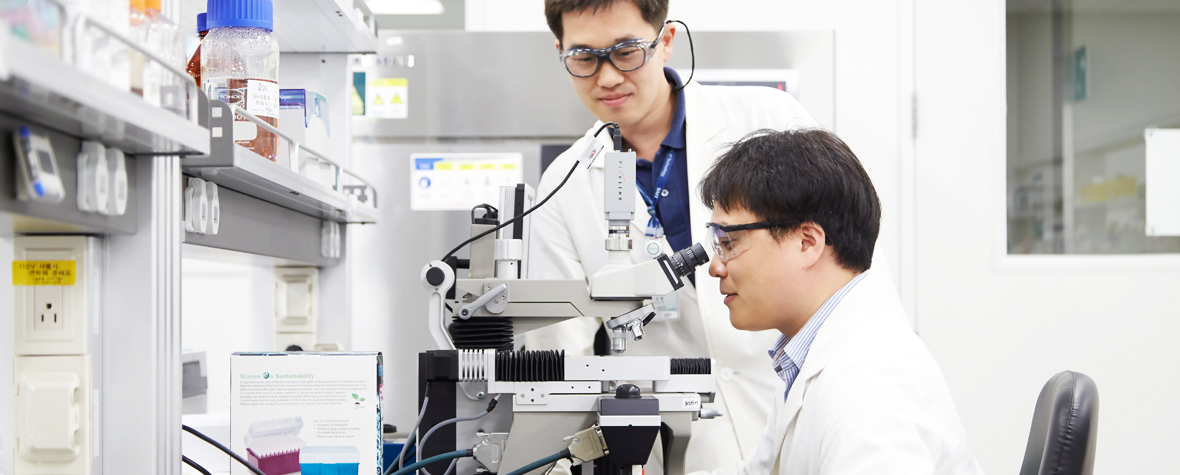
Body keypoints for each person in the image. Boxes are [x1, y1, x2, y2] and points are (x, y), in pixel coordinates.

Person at [525, 0, 823, 471]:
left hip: (804, 423)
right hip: (680, 451)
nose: (606, 77)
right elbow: (559, 360)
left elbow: (850, 281)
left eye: (626, 51)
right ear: (560, 52)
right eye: (583, 58)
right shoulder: (564, 185)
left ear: (665, 41)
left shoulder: (769, 118)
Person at [696, 129, 983, 475]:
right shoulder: (810, 354)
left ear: (807, 242)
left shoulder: (868, 380)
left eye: (729, 242)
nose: (715, 266)